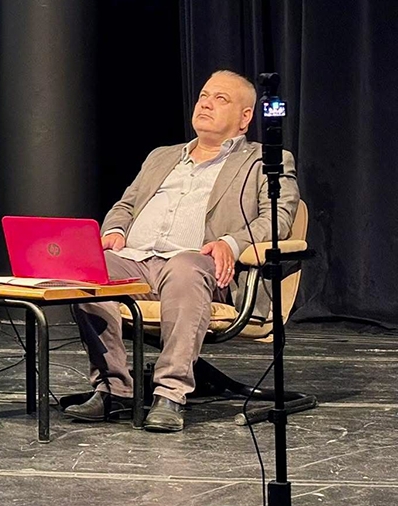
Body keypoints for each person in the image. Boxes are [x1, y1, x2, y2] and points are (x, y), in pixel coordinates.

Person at [64, 70, 300, 432]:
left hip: (203, 269)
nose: (206, 103)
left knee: (184, 265)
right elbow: (125, 206)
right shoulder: (162, 156)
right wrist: (114, 231)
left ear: (245, 118)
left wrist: (231, 243)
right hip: (137, 262)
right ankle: (114, 389)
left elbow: (279, 217)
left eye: (220, 99)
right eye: (204, 95)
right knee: (87, 268)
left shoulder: (265, 160)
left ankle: (170, 395)